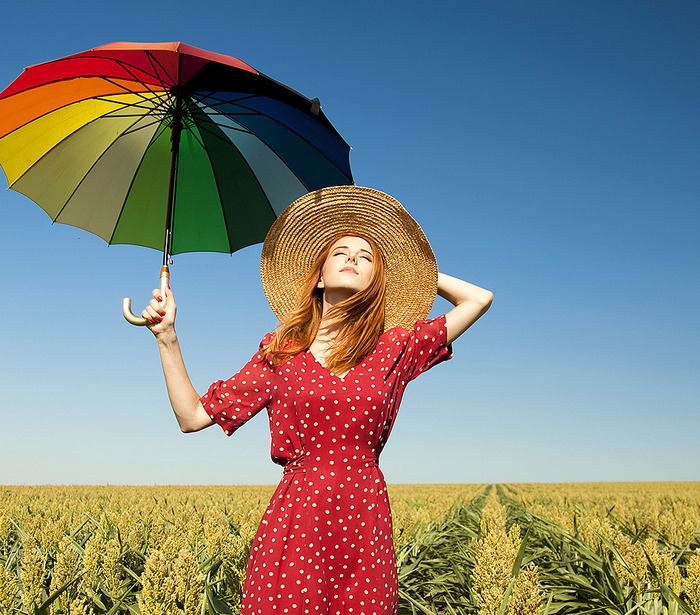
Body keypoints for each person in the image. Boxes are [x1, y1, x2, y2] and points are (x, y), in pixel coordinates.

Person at [142, 186, 493, 615]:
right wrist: (167, 337)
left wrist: (412, 271)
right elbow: (192, 416)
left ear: (375, 280)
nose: (353, 258)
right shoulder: (280, 350)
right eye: (341, 252)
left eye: (367, 258)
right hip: (297, 516)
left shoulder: (394, 348)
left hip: (364, 515)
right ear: (320, 274)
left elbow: (478, 299)